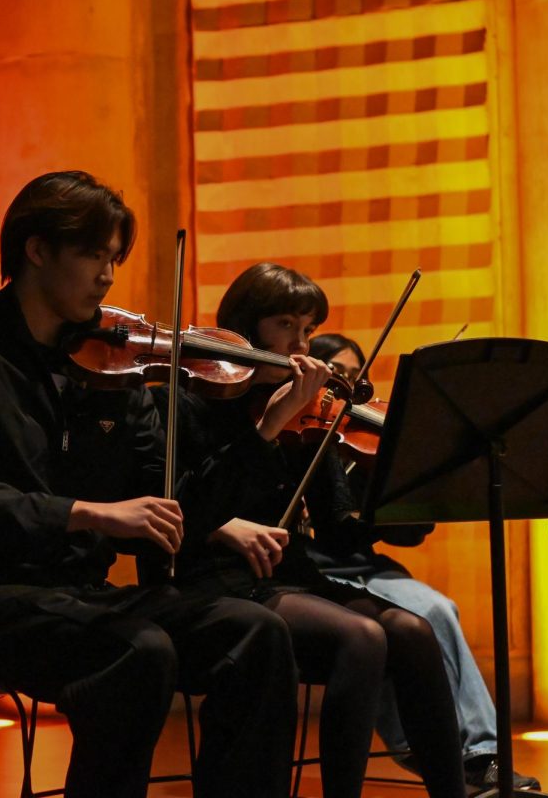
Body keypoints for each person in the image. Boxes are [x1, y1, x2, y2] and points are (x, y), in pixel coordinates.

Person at [0, 170, 298, 798]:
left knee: (255, 632)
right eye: (94, 253)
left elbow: (177, 514)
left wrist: (265, 432)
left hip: (80, 597)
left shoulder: (114, 365)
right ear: (36, 250)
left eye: (114, 257)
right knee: (139, 651)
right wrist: (87, 514)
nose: (109, 275)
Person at [155, 261, 467, 798]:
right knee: (362, 635)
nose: (300, 345)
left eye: (308, 331)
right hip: (210, 581)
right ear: (245, 327)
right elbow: (190, 504)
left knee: (414, 633)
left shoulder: (313, 416)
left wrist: (391, 491)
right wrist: (269, 426)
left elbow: (337, 532)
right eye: (285, 327)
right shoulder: (191, 400)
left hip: (289, 578)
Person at [307, 331, 542, 793]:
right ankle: (457, 750)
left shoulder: (363, 438)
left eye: (359, 378)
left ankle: (474, 750)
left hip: (364, 564)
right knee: (429, 611)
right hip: (319, 569)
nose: (352, 390)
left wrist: (417, 485)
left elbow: (408, 534)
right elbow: (333, 531)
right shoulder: (308, 438)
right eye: (340, 377)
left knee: (435, 609)